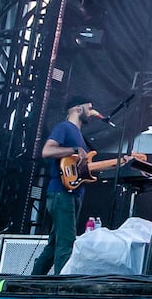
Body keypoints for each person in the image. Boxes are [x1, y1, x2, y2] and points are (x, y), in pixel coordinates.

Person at [33, 93, 128, 276]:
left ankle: (30, 284)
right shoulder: (65, 128)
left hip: (72, 194)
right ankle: (61, 289)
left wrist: (121, 162)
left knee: (54, 246)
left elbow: (85, 168)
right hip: (62, 193)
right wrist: (75, 149)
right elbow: (47, 150)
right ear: (78, 108)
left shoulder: (79, 136)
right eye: (89, 108)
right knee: (65, 245)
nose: (91, 112)